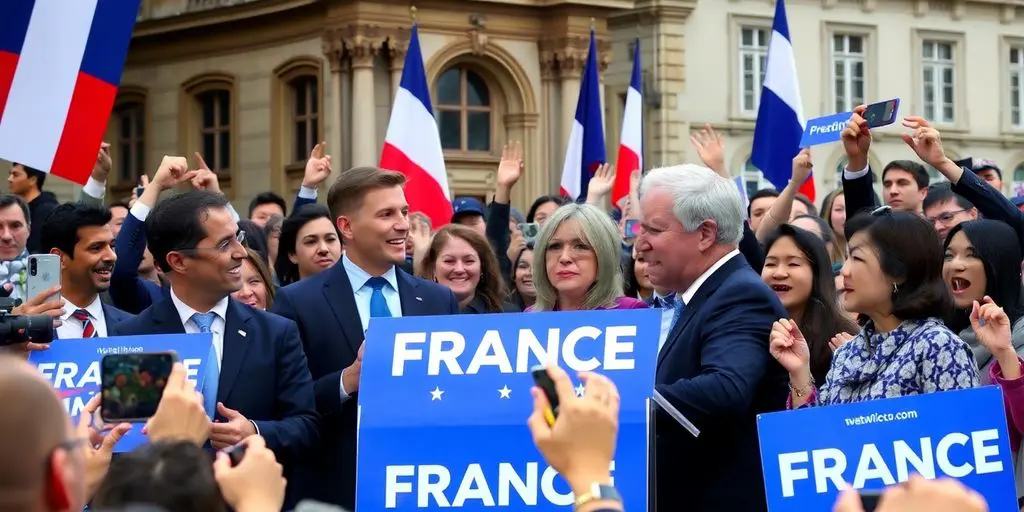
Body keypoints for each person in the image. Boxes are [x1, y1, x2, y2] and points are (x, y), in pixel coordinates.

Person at [271, 165, 459, 509]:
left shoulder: (437, 299)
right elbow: (286, 407)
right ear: (346, 226)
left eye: (403, 211)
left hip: (424, 484)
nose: (403, 224)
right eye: (387, 214)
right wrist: (348, 380)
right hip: (337, 491)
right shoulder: (298, 302)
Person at [109, 174, 319, 474]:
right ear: (178, 261)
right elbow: (124, 445)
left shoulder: (276, 333)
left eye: (239, 238)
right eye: (224, 244)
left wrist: (255, 432)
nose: (241, 253)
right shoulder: (134, 336)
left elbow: (306, 427)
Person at [635, 163, 788, 511]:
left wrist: (621, 402)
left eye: (654, 229)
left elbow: (726, 387)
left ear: (705, 233)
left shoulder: (740, 295)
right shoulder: (704, 295)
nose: (639, 245)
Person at [770, 208, 979, 409]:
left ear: (899, 273)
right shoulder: (847, 353)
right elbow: (821, 437)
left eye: (857, 258)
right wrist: (800, 373)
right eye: (847, 258)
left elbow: (962, 433)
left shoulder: (939, 346)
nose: (845, 270)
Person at [762, 224, 857, 384]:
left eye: (793, 264)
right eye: (771, 264)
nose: (779, 273)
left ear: (817, 274)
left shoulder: (843, 342)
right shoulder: (748, 330)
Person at [40, 203, 133, 340]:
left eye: (112, 246)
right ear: (59, 258)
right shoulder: (26, 331)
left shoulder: (134, 328)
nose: (111, 256)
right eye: (96, 248)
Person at [529, 203, 647, 311]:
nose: (564, 258)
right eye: (555, 246)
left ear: (604, 256)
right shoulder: (530, 318)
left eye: (580, 246)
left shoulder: (630, 312)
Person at [418, 224, 513, 313]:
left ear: (482, 267)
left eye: (469, 261)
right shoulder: (413, 313)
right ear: (433, 267)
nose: (459, 269)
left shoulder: (509, 316)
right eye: (449, 261)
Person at [274, 204, 341, 286]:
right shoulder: (284, 297)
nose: (323, 249)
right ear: (292, 254)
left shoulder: (358, 295)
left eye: (330, 239)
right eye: (311, 241)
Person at [7, 162, 58, 253]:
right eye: (10, 174)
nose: (9, 179)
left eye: (15, 174)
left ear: (33, 180)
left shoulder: (46, 210)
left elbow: (36, 248)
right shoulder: (18, 208)